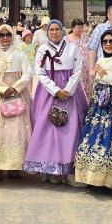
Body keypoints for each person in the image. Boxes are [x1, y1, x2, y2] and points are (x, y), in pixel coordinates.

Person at [23, 19, 87, 186]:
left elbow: (77, 70)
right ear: (47, 32)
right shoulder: (42, 50)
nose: (54, 32)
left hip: (70, 91)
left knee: (71, 128)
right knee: (48, 129)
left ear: (62, 31)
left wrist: (68, 89)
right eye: (51, 29)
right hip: (49, 92)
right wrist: (56, 90)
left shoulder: (72, 48)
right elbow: (41, 73)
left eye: (57, 29)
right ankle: (51, 169)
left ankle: (68, 170)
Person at [74, 30, 112, 188]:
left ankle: (108, 180)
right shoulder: (101, 58)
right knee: (94, 137)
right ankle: (92, 177)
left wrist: (104, 75)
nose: (108, 44)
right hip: (99, 105)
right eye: (105, 41)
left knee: (110, 139)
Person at [0, 24, 33, 180]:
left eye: (8, 35)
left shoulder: (20, 54)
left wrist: (15, 88)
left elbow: (27, 74)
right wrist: (4, 89)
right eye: (2, 35)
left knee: (16, 132)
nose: (5, 38)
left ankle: (15, 167)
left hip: (17, 97)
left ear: (12, 37)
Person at [64, 18, 93, 102]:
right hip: (74, 69)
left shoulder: (86, 38)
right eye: (78, 27)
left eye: (81, 27)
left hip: (86, 69)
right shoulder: (67, 39)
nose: (80, 29)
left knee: (87, 88)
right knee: (76, 87)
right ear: (73, 27)